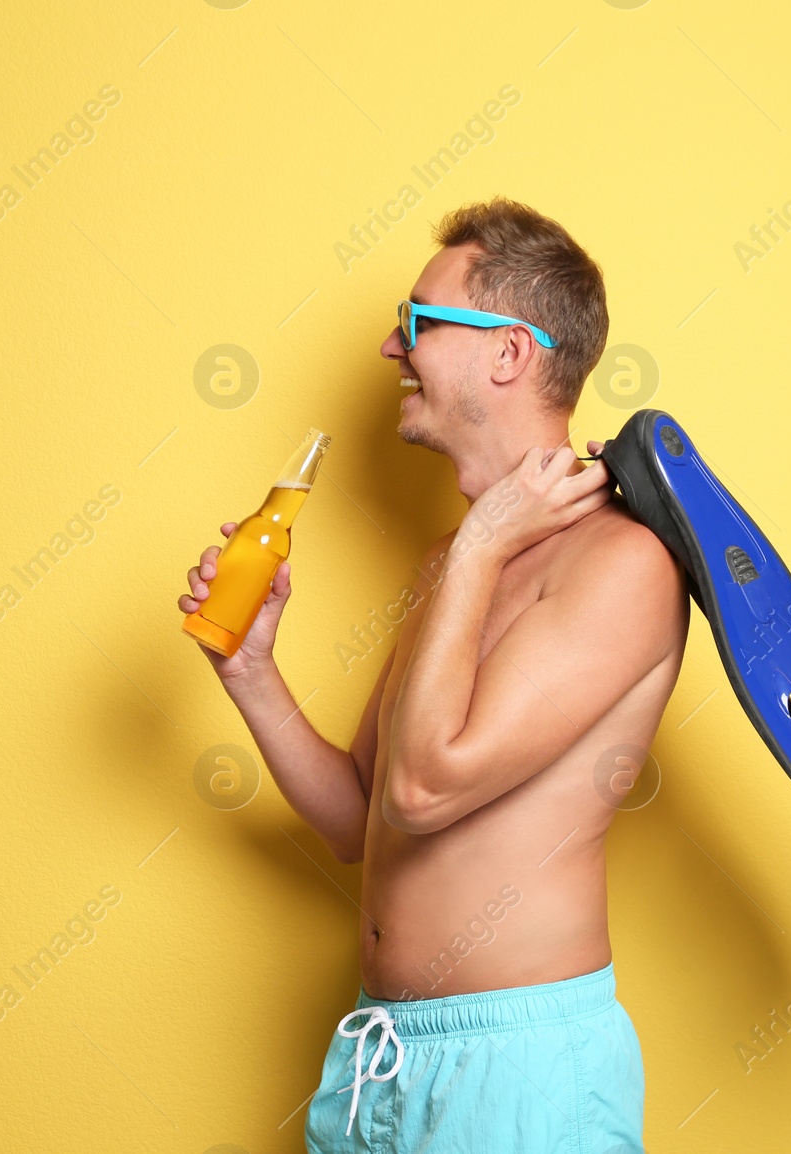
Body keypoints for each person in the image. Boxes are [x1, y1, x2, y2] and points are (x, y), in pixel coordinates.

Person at [179, 196, 691, 1152]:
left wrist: (485, 542)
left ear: (508, 352)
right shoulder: (458, 562)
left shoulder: (618, 564)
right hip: (383, 1061)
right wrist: (251, 671)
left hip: (521, 1078)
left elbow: (425, 788)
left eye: (418, 321)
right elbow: (359, 814)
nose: (390, 347)